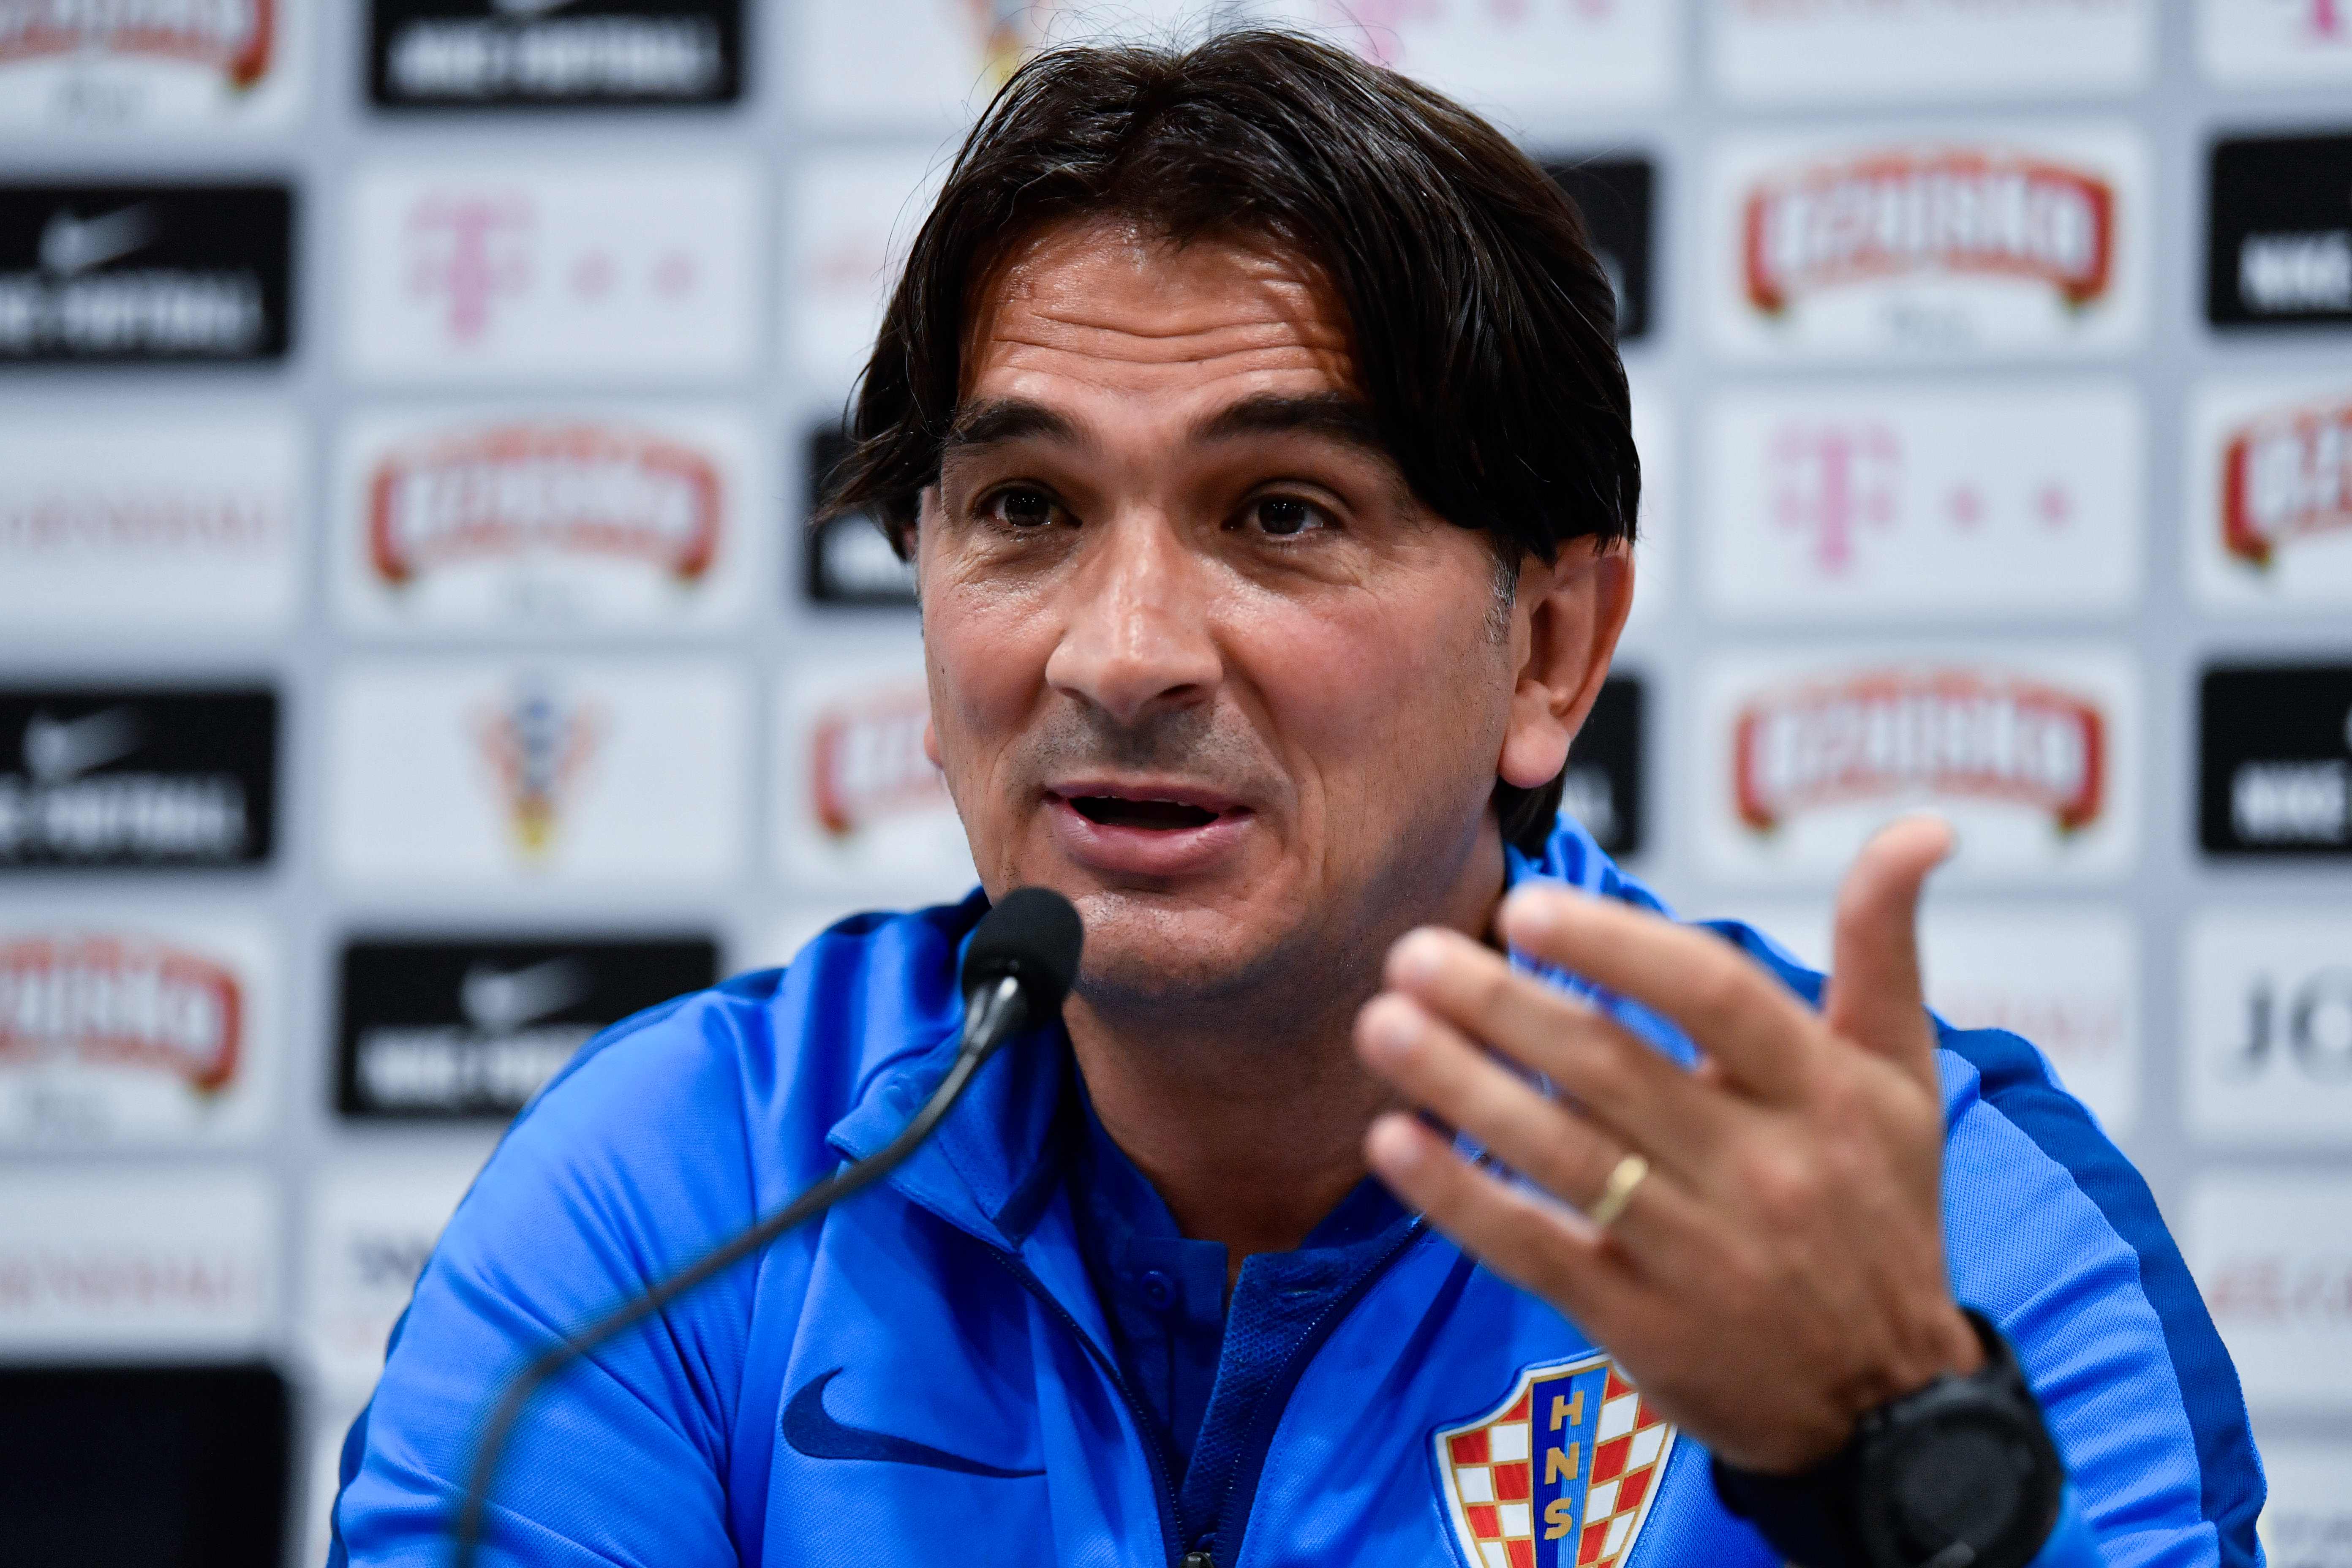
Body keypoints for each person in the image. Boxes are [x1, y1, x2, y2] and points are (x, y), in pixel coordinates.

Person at [329, 31, 2263, 1568]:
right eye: (1026, 510)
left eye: (1280, 513)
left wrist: (1894, 1454)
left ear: (1550, 648)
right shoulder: (682, 1192)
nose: (1122, 654)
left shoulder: (1925, 1221)